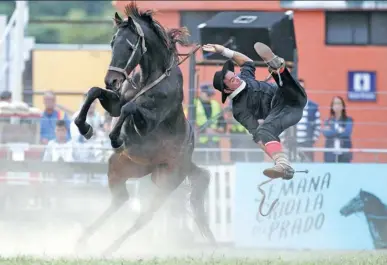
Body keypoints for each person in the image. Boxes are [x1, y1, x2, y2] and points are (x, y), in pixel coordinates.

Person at [203, 42, 307, 179]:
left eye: (233, 75)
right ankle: (282, 163)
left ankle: (277, 67)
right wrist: (274, 155)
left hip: (292, 97)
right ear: (227, 90)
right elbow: (258, 136)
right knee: (263, 131)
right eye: (232, 80)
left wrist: (223, 50)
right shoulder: (239, 109)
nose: (235, 77)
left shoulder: (245, 77)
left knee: (283, 87)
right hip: (284, 114)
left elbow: (247, 62)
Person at [193, 83, 226, 163]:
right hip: (200, 142)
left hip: (214, 141)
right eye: (208, 94)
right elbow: (189, 121)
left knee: (216, 164)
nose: (210, 97)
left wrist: (219, 129)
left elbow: (222, 121)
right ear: (201, 92)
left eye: (211, 95)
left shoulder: (215, 104)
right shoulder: (193, 104)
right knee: (200, 164)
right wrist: (204, 130)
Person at [322, 96, 353, 163]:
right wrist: (339, 130)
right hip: (330, 154)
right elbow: (326, 133)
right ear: (332, 106)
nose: (337, 106)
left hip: (344, 154)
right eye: (335, 103)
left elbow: (347, 133)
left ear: (343, 106)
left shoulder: (348, 120)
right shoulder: (328, 121)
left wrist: (332, 131)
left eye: (339, 103)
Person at [296, 79, 321, 162]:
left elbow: (318, 126)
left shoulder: (313, 106)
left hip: (307, 145)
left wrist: (311, 141)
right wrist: (285, 141)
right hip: (292, 145)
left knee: (308, 169)